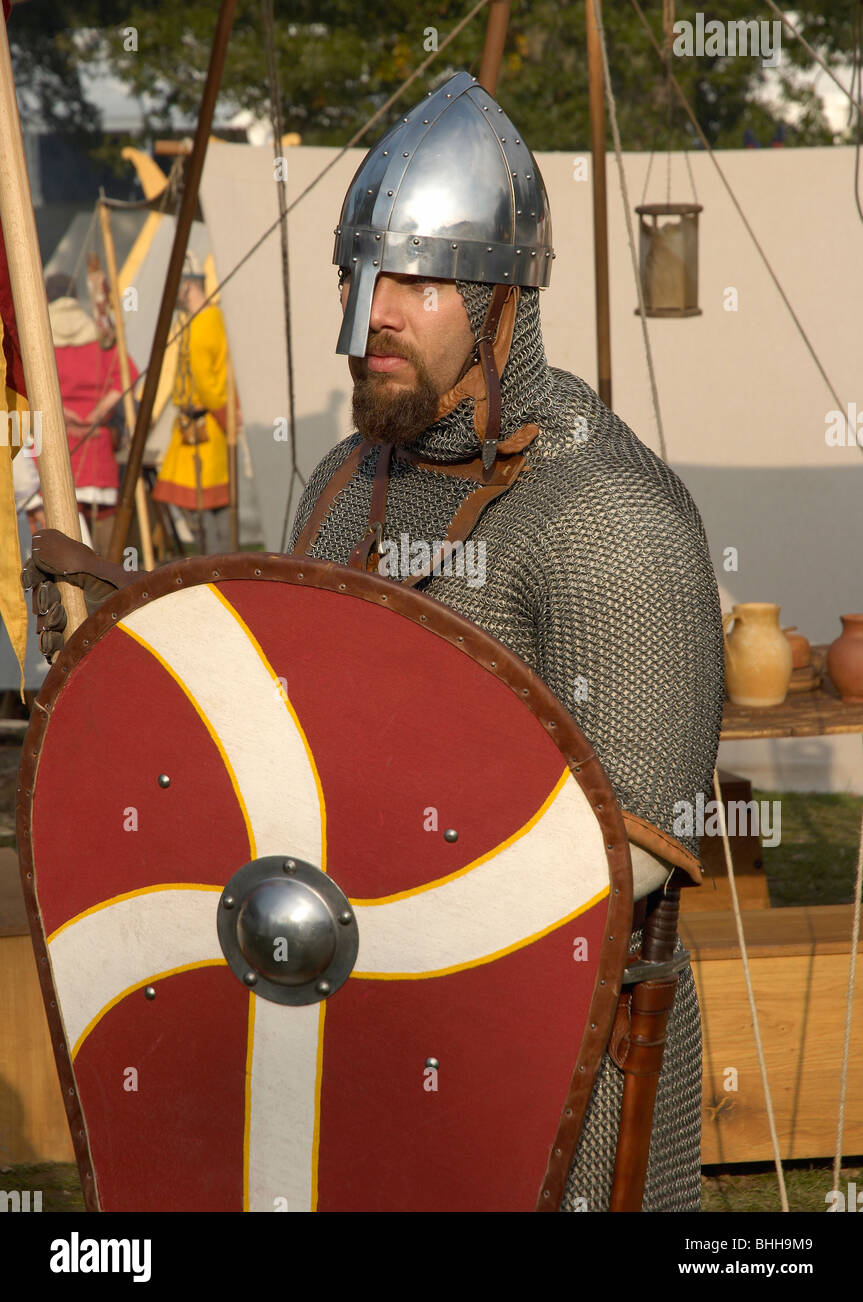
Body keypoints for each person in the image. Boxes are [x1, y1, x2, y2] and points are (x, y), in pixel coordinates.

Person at [23, 73, 723, 1212]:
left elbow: (624, 851)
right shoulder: (349, 483)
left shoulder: (608, 517)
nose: (371, 312)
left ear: (502, 303)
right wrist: (131, 656)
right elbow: (285, 745)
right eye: (358, 273)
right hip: (351, 1029)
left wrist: (399, 900)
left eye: (411, 279)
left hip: (541, 1064)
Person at [45, 273, 131, 557]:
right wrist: (98, 412)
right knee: (104, 534)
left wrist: (64, 413)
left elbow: (33, 389)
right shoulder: (99, 337)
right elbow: (125, 376)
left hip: (60, 441)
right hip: (97, 440)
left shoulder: (40, 340)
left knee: (63, 525)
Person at [151, 253, 231, 553]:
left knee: (209, 506)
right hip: (192, 427)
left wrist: (225, 417)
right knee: (195, 505)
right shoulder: (196, 321)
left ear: (186, 286)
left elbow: (207, 382)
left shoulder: (206, 321)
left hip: (208, 427)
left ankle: (216, 565)